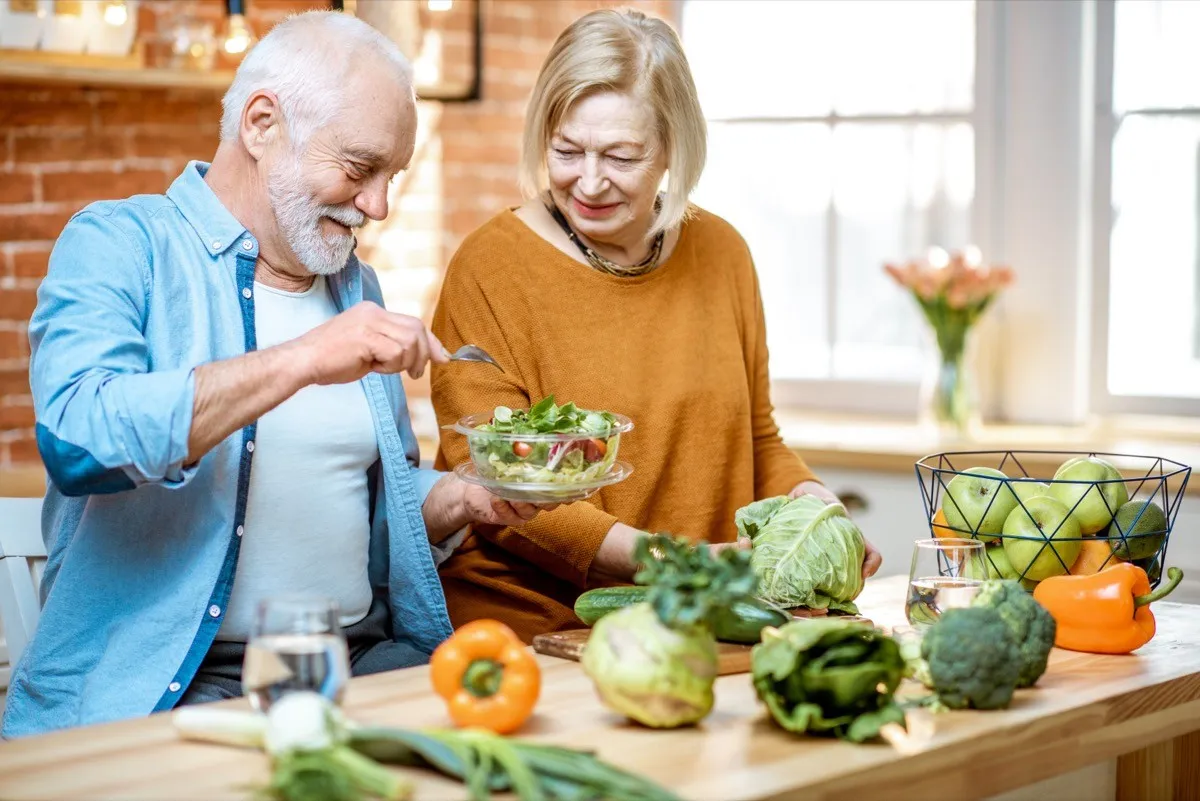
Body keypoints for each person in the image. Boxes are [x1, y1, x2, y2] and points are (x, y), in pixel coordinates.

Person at [2, 11, 543, 739]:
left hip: (366, 664)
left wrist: (462, 497)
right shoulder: (120, 243)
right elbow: (80, 438)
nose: (377, 205)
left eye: (392, 177)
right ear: (261, 124)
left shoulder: (357, 287)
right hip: (180, 688)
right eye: (359, 169)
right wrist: (303, 359)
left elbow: (359, 502)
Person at [429, 9, 882, 643]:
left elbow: (757, 436)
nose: (588, 181)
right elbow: (494, 483)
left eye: (621, 155)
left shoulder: (723, 252)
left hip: (703, 617)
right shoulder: (490, 267)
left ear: (673, 147)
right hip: (542, 629)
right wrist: (674, 562)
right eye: (565, 150)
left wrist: (817, 511)